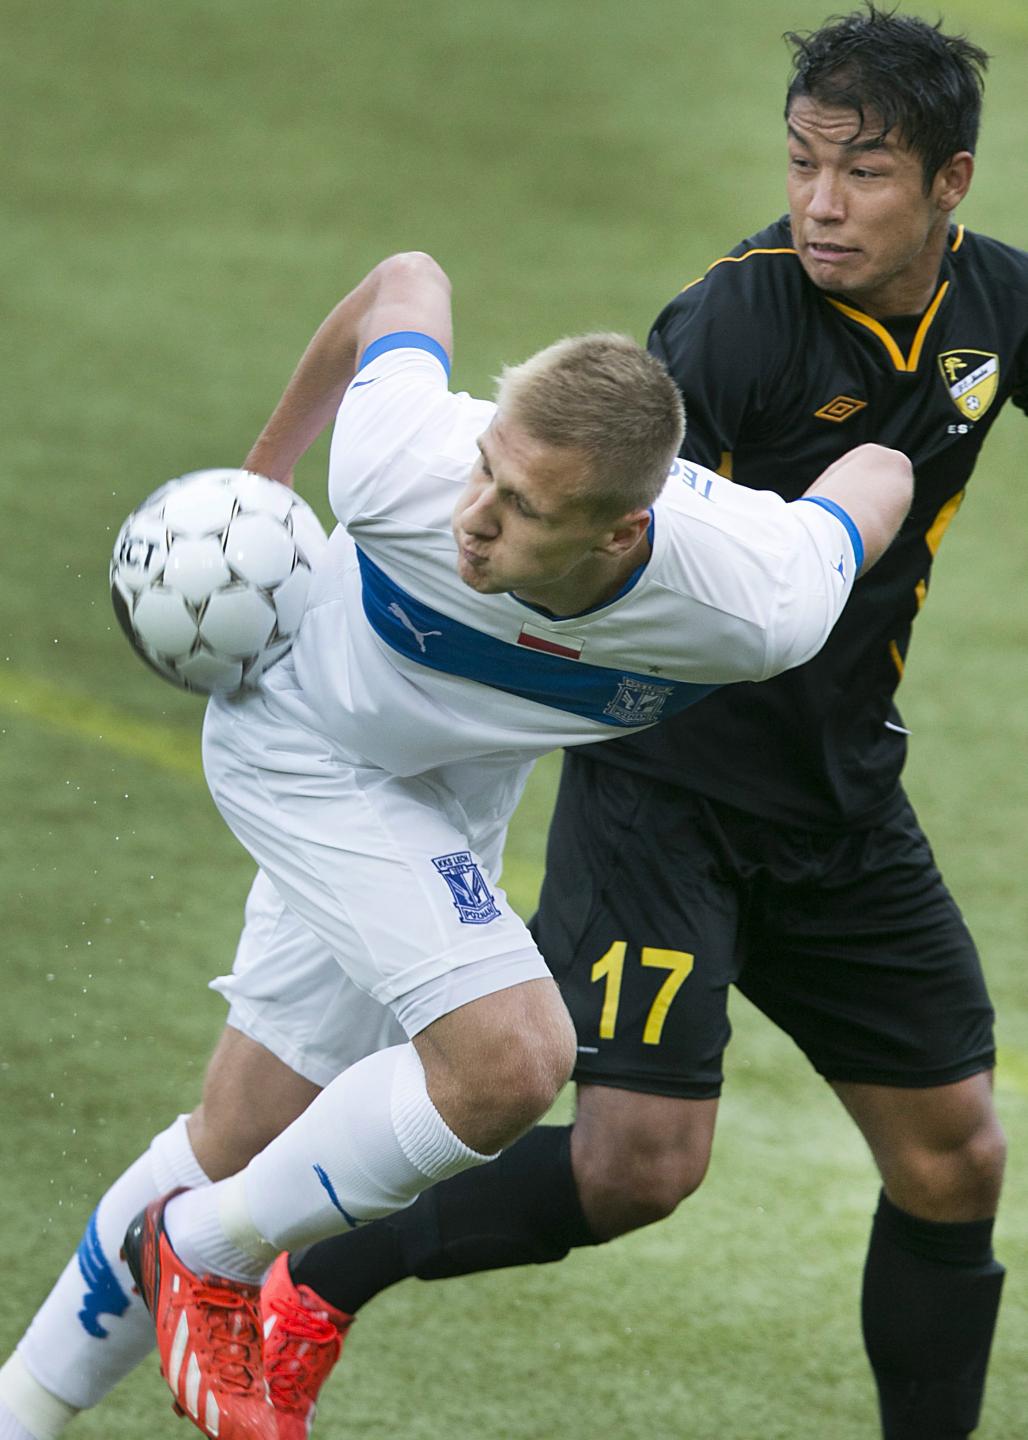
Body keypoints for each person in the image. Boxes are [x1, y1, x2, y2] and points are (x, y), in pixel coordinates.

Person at [231, 8, 1025, 1440]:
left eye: (866, 175)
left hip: (842, 802)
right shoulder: (733, 328)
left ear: (951, 185)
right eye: (803, 165)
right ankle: (308, 1276)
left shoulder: (996, 310)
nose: (823, 204)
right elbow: (621, 555)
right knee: (640, 1168)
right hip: (669, 799)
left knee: (956, 1159)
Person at [0, 242, 909, 1440]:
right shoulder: (402, 464)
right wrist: (260, 482)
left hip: (444, 794)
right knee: (512, 1061)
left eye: (521, 509)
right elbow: (404, 279)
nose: (470, 519)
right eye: (487, 472)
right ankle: (208, 1254)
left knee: (244, 1136)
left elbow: (881, 469)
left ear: (619, 533)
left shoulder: (753, 605)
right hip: (303, 743)